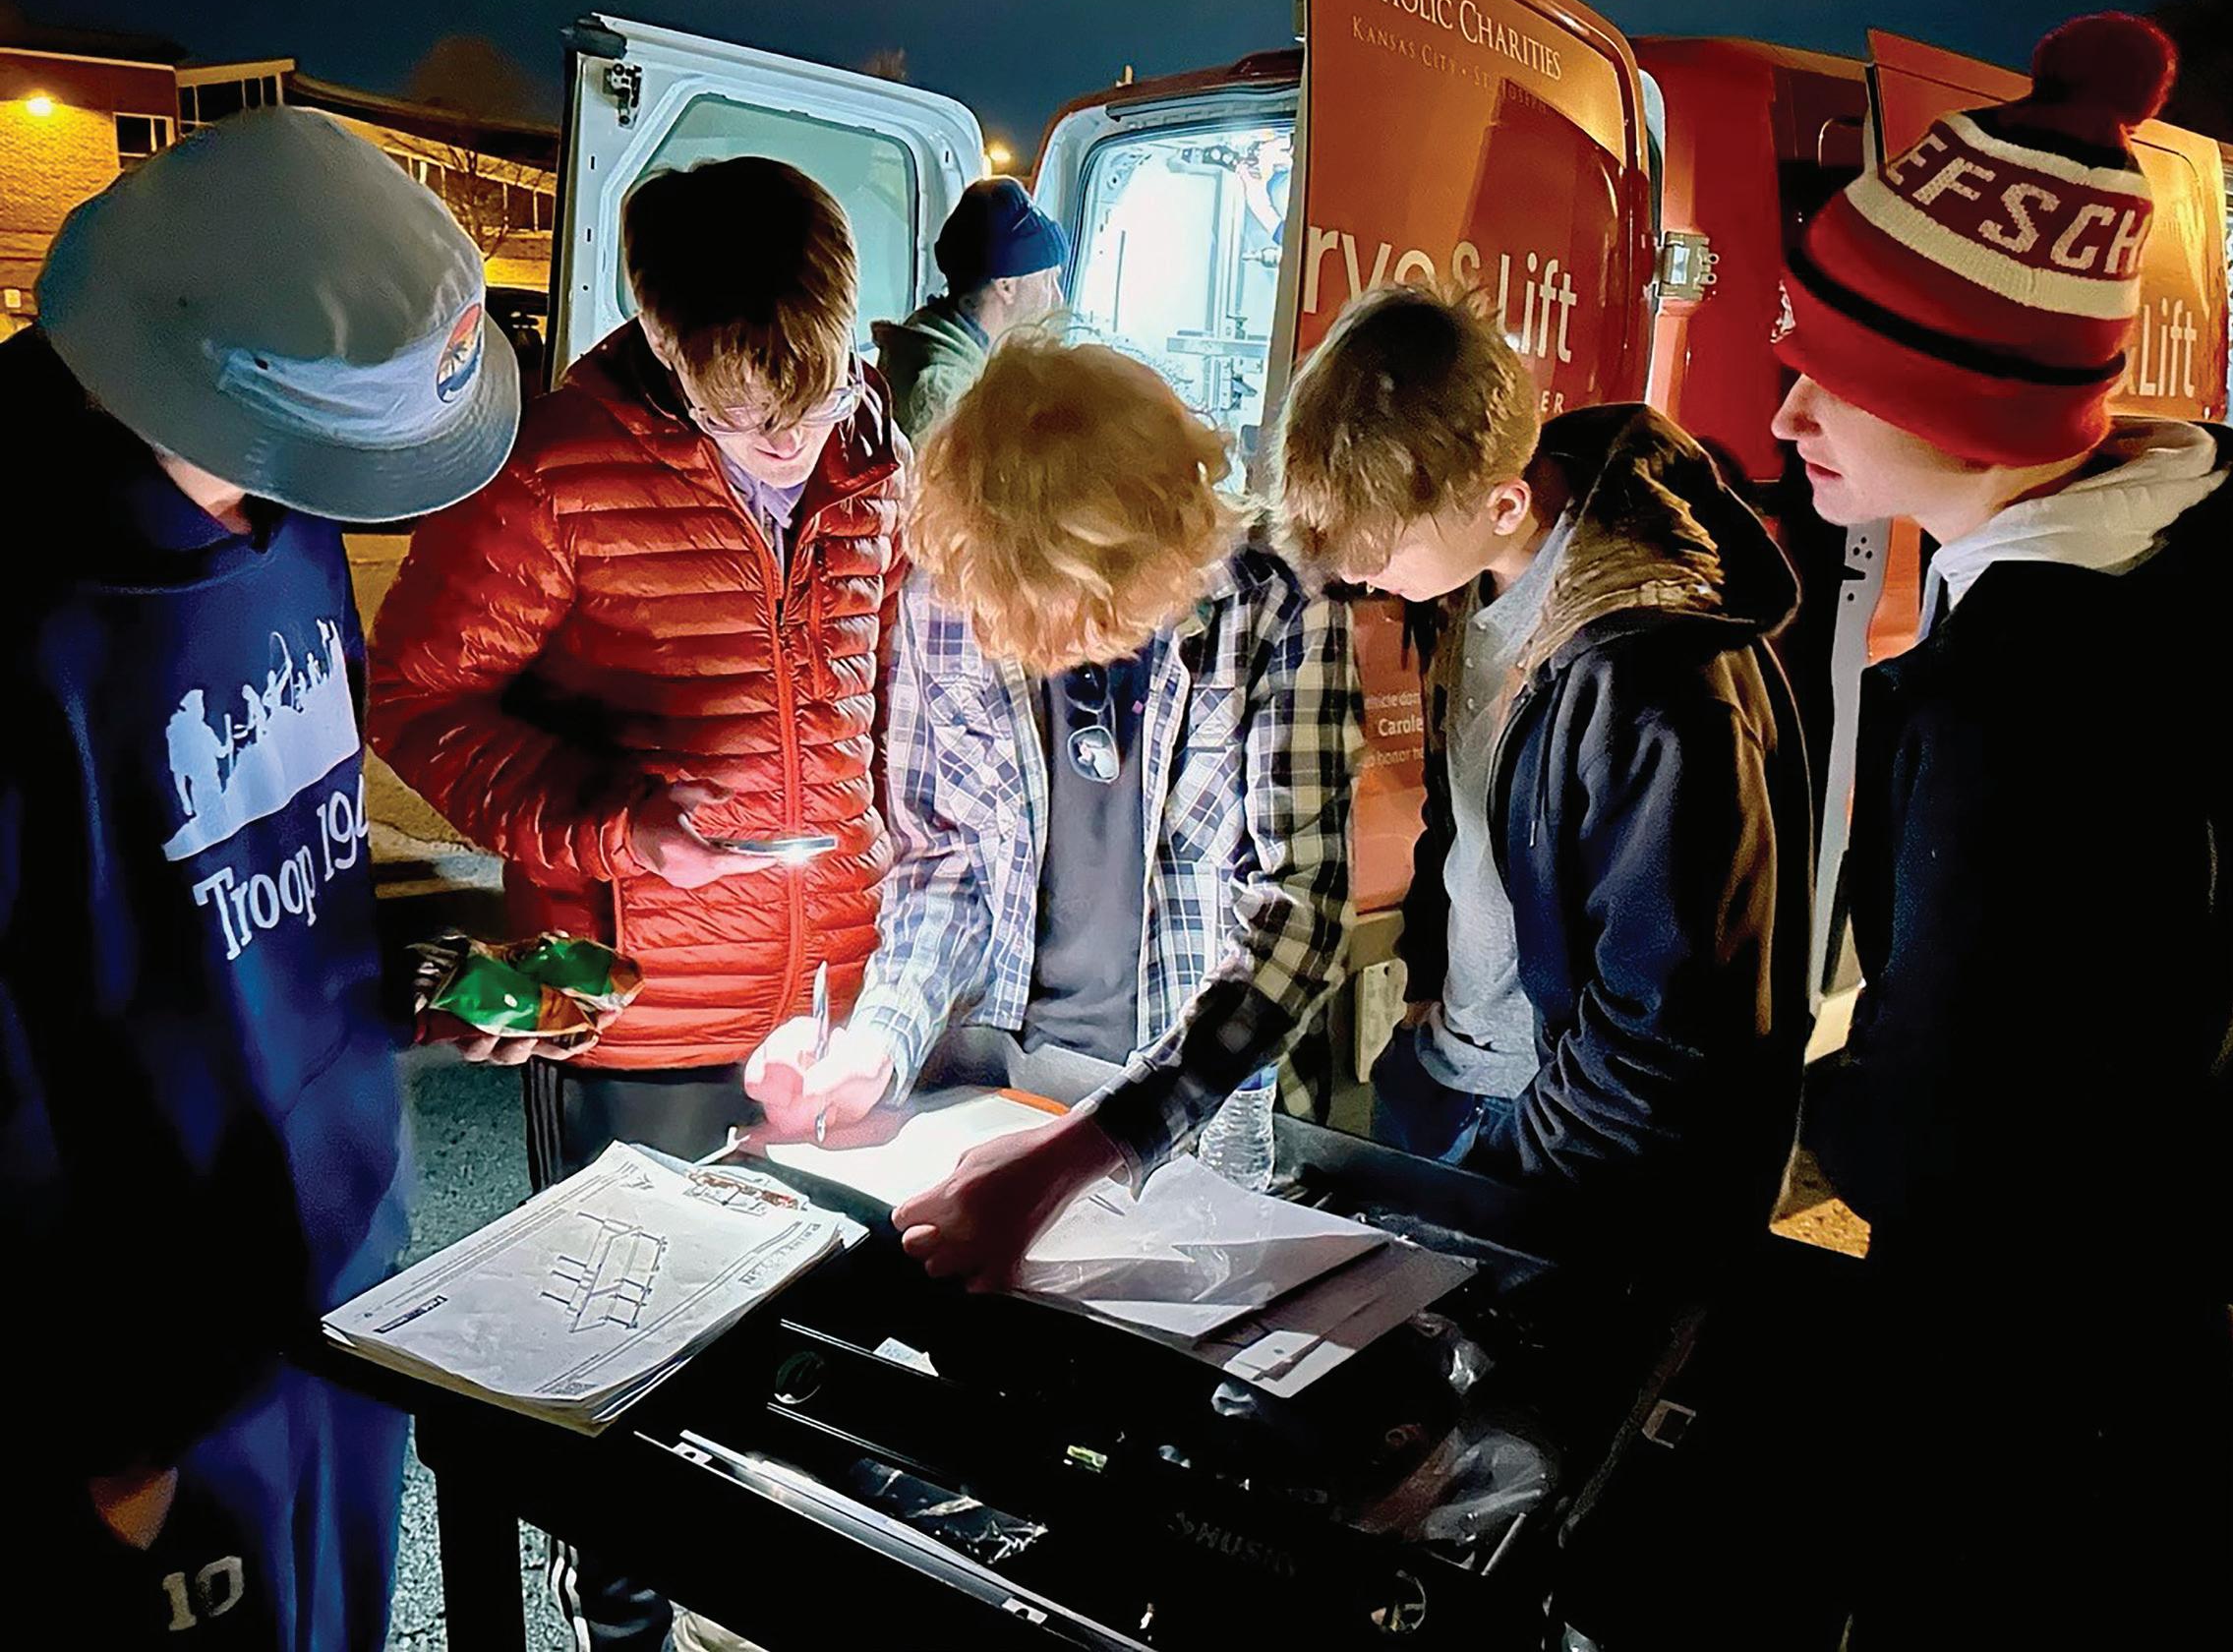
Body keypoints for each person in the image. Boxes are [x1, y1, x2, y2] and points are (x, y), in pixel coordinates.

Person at [1771, 14, 2233, 1643]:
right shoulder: (2177, 584)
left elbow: (1961, 1128)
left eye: (1834, 379)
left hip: (2030, 1395)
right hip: (2142, 1331)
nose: (1787, 414)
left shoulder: (2040, 694)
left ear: (1971, 414)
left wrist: (1805, 1106)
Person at [0, 108, 519, 1650]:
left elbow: (281, 850)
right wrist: (99, 1422)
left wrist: (404, 987)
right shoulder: (32, 618)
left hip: (337, 1245)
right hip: (134, 1353)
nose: (339, 498)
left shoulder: (279, 520)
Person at [368, 154, 903, 1650]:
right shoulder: (553, 469)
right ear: (661, 338)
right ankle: (623, 1621)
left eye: (810, 402)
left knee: (822, 1347)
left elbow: (884, 691)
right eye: (744, 416)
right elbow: (414, 698)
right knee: (632, 1370)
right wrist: (619, 827)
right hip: (640, 1011)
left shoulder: (877, 445)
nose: (788, 441)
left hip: (837, 995)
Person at [746, 330, 1356, 1287]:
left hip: (1196, 1106)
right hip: (1000, 1072)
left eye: (1093, 616)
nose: (1057, 652)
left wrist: (1082, 1152)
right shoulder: (949, 592)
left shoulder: (1277, 604)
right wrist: (880, 1040)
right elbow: (942, 861)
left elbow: (1297, 916)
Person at [1277, 285, 1811, 1272]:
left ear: (1506, 504)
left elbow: (1659, 1030)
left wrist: (1501, 1179)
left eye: (1380, 547)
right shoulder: (1471, 580)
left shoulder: (1652, 676)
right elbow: (1466, 813)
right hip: (1454, 1078)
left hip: (1567, 1151)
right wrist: (1426, 979)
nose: (1358, 573)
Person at [871, 175, 1069, 439]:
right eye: (1047, 280)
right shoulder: (943, 396)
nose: (1057, 298)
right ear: (1006, 286)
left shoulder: (930, 340)